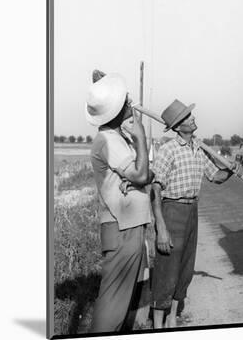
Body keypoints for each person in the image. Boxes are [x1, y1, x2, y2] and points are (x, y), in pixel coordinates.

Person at [150, 99, 241, 328]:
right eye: (188, 117)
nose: (193, 118)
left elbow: (215, 177)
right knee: (166, 270)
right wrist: (161, 227)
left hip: (192, 211)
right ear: (179, 126)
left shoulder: (198, 148)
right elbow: (156, 189)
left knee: (185, 269)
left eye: (191, 115)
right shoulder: (167, 150)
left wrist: (231, 170)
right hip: (172, 211)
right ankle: (158, 325)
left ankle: (172, 319)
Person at [85, 71, 154, 333]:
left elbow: (144, 173)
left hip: (129, 227)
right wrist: (141, 138)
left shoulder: (116, 139)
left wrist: (140, 176)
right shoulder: (109, 140)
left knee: (123, 303)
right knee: (113, 304)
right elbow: (142, 174)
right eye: (126, 100)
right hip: (121, 228)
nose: (131, 103)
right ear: (117, 109)